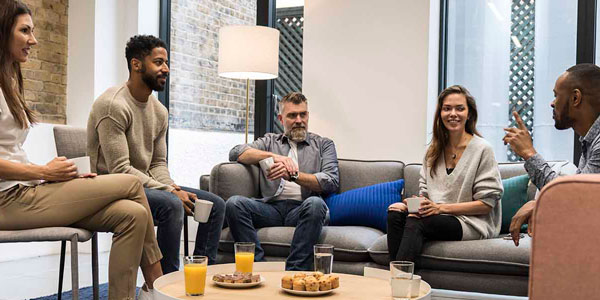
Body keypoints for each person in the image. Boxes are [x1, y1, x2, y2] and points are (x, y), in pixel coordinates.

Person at [0, 2, 162, 299]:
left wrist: (48, 176)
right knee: (130, 182)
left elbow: (8, 151)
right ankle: (159, 285)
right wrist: (43, 172)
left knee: (134, 215)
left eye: (33, 31)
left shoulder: (9, 81)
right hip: (7, 201)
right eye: (25, 31)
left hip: (26, 189)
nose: (33, 40)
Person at [87, 35, 226, 271]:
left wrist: (173, 187)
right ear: (136, 64)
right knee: (171, 204)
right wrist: (171, 192)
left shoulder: (159, 111)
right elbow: (120, 170)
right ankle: (164, 285)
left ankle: (201, 276)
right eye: (159, 62)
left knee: (215, 204)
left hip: (143, 186)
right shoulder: (112, 105)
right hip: (109, 188)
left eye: (166, 62)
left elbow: (158, 163)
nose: (166, 69)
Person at [387, 85, 503, 263]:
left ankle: (397, 281)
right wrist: (410, 205)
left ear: (469, 113)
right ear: (440, 114)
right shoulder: (432, 151)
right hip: (437, 217)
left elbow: (486, 204)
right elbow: (425, 194)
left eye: (460, 108)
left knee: (416, 222)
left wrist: (440, 208)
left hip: (471, 222)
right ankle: (399, 280)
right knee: (395, 214)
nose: (453, 114)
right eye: (447, 108)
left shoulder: (482, 149)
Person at [226, 92, 339, 271]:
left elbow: (331, 181)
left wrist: (293, 175)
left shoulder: (324, 144)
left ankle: (295, 271)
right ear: (281, 118)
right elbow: (236, 152)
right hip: (271, 208)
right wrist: (273, 156)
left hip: (303, 208)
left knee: (316, 204)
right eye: (292, 115)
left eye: (303, 114)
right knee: (234, 204)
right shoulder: (270, 141)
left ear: (308, 115)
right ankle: (257, 268)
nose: (299, 120)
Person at [503, 63, 600, 246]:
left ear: (575, 98)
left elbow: (575, 199)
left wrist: (529, 153)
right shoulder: (590, 141)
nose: (552, 102)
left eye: (556, 95)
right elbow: (575, 195)